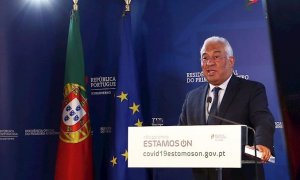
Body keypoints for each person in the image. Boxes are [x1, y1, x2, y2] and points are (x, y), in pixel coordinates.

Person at [178, 36, 275, 180]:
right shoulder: (192, 97)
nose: (209, 63)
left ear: (231, 61)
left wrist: (261, 144)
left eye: (216, 56)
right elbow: (182, 135)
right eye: (205, 58)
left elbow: (262, 119)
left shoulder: (252, 90)